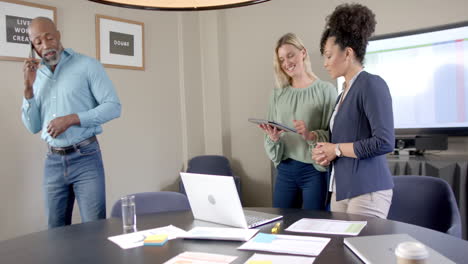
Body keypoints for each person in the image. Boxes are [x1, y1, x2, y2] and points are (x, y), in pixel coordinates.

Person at [21, 17, 121, 228]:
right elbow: (33, 126)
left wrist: (72, 119)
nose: (46, 45)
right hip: (52, 161)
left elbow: (113, 106)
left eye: (49, 37)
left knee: (94, 229)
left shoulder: (87, 65)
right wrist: (28, 91)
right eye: (38, 42)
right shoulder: (35, 75)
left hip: (86, 158)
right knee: (55, 233)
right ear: (33, 47)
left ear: (58, 34)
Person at [312, 3, 394, 218]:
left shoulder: (371, 84)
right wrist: (326, 154)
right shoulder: (343, 94)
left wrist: (336, 149)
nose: (325, 63)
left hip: (368, 188)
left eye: (329, 56)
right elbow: (344, 142)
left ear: (348, 53)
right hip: (341, 188)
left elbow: (384, 142)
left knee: (356, 249)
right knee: (339, 250)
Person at [260, 33, 337, 210]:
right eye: (281, 59)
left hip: (314, 171)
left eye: (290, 55)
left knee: (315, 227)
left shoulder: (327, 91)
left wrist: (310, 135)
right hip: (285, 169)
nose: (286, 63)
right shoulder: (277, 94)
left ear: (303, 53)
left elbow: (333, 135)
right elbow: (270, 137)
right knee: (280, 224)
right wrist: (273, 138)